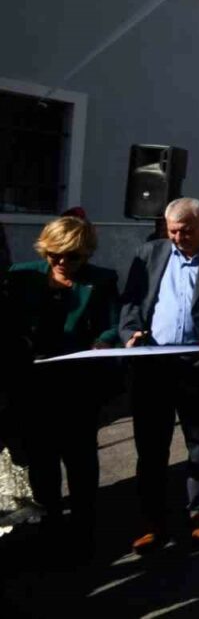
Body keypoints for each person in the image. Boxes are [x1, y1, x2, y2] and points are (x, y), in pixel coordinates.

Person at [118, 197, 199, 553]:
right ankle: (152, 521)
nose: (180, 238)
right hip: (153, 367)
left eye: (187, 231)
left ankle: (198, 512)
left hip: (198, 366)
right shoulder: (148, 254)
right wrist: (130, 334)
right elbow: (131, 303)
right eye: (173, 231)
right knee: (151, 449)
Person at [1, 216, 118, 552]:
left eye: (73, 256)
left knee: (80, 460)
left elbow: (112, 324)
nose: (63, 262)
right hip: (32, 386)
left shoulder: (101, 280)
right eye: (55, 255)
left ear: (87, 252)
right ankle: (50, 523)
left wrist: (104, 341)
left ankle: (83, 528)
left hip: (78, 387)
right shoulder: (21, 276)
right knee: (41, 460)